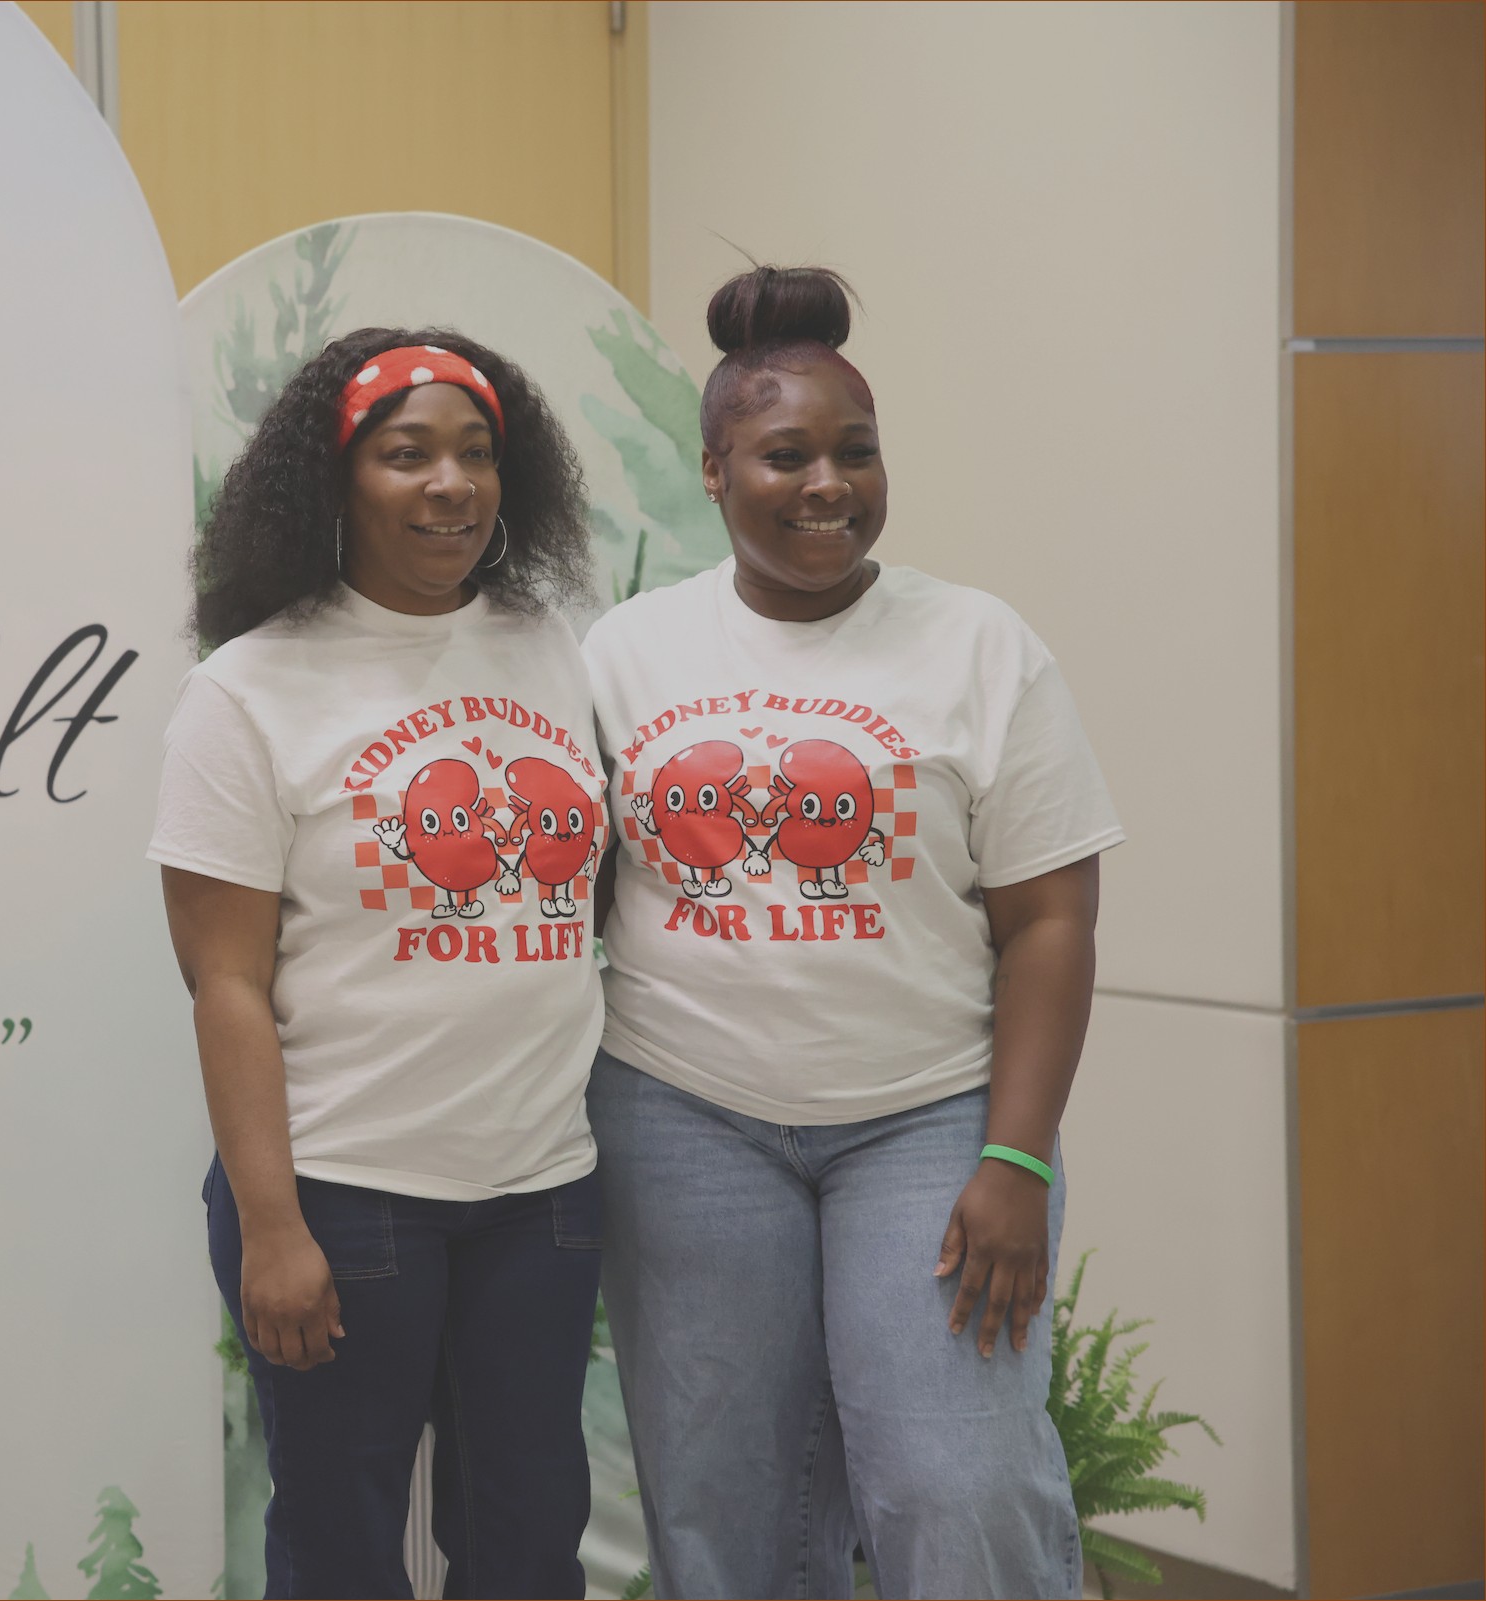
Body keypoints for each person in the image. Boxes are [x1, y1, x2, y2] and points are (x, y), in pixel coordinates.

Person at [584, 267, 1122, 1599]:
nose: (828, 483)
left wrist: (1017, 1154)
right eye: (786, 455)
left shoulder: (981, 645)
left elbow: (1050, 921)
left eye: (857, 451)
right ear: (714, 470)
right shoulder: (625, 653)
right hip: (683, 1116)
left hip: (928, 1122)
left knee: (960, 1483)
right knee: (724, 1508)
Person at [151, 329, 607, 1598]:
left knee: (528, 1544)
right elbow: (225, 982)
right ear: (335, 481)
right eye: (406, 454)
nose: (450, 483)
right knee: (342, 1553)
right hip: (346, 1193)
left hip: (540, 1189)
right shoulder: (248, 689)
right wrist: (271, 1223)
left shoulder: (545, 644)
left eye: (476, 452)